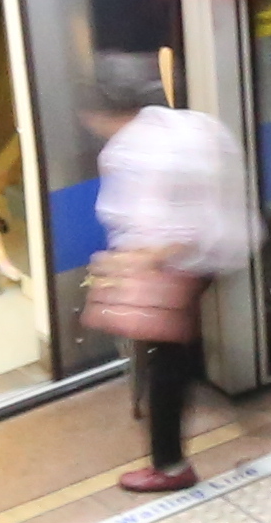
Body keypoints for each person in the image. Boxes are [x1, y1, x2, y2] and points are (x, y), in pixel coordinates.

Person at [83, 55, 254, 495]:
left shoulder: (127, 153)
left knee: (164, 365)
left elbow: (156, 230)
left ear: (104, 113)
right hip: (220, 249)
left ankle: (170, 465)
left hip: (177, 267)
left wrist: (122, 264)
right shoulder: (192, 125)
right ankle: (194, 365)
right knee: (180, 346)